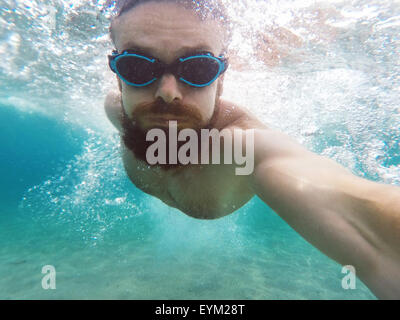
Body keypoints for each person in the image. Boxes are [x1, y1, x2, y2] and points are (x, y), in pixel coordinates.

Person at [104, 0, 400, 299]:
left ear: (220, 78)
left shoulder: (242, 147)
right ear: (117, 73)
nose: (168, 93)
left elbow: (374, 230)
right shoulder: (116, 110)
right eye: (136, 66)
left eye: (197, 67)